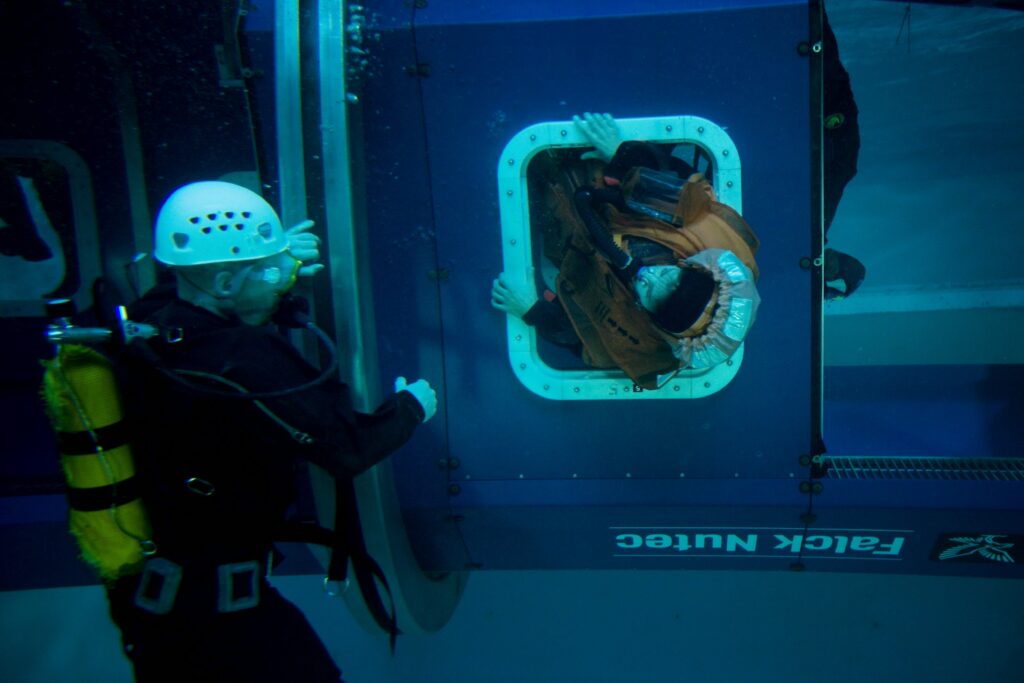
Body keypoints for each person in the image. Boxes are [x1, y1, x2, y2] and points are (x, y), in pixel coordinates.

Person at [105, 180, 437, 682]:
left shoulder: (149, 326)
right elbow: (347, 449)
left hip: (154, 607)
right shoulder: (243, 358)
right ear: (223, 283)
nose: (284, 279)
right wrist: (410, 408)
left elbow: (207, 294)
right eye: (270, 271)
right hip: (220, 619)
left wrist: (275, 264)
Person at [492, 114, 761, 389]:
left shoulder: (645, 343)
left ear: (659, 325)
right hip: (597, 178)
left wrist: (533, 311)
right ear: (696, 267)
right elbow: (679, 180)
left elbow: (585, 339)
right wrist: (624, 153)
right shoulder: (702, 234)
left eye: (654, 298)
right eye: (673, 279)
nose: (652, 279)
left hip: (561, 232)